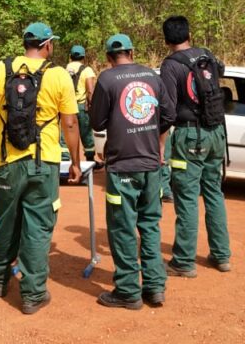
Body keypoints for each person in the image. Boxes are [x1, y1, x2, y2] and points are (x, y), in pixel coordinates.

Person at [0, 22, 82, 314]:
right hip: (43, 162)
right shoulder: (58, 74)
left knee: (6, 221)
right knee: (38, 227)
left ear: (25, 43)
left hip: (5, 161)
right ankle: (33, 294)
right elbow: (71, 122)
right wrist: (74, 162)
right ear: (47, 45)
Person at [89, 33, 175, 309]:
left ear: (108, 57)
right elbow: (169, 116)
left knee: (122, 227)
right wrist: (159, 147)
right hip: (151, 166)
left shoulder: (106, 79)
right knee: (149, 224)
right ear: (132, 52)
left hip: (122, 167)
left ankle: (128, 290)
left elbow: (98, 122)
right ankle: (155, 287)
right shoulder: (152, 75)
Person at [159, 15, 232, 277]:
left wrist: (160, 145)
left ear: (166, 40)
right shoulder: (206, 55)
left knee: (187, 198)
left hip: (189, 137)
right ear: (190, 34)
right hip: (216, 133)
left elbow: (167, 111)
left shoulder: (170, 66)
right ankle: (221, 256)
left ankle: (183, 262)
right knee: (214, 193)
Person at [66, 45, 98, 165]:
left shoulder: (65, 69)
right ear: (83, 57)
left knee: (66, 136)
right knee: (86, 135)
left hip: (67, 107)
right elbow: (90, 91)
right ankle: (90, 161)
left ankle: (65, 161)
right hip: (81, 107)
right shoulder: (87, 70)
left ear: (70, 56)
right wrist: (92, 106)